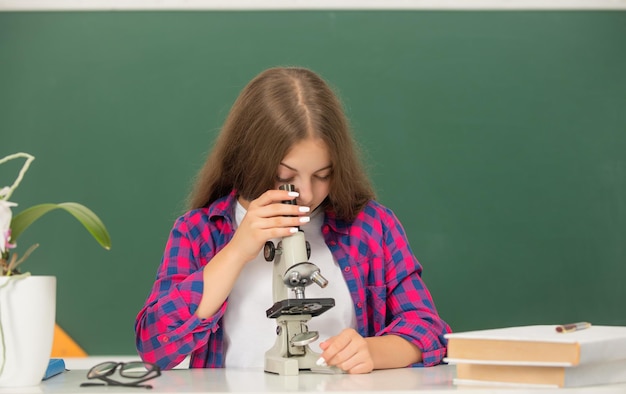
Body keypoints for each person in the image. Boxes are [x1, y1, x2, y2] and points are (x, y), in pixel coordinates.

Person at [135, 66, 451, 374]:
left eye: (322, 175)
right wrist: (237, 251)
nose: (307, 194)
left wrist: (373, 351)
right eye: (286, 176)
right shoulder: (198, 231)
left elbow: (427, 329)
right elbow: (154, 346)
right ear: (250, 160)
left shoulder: (371, 226)